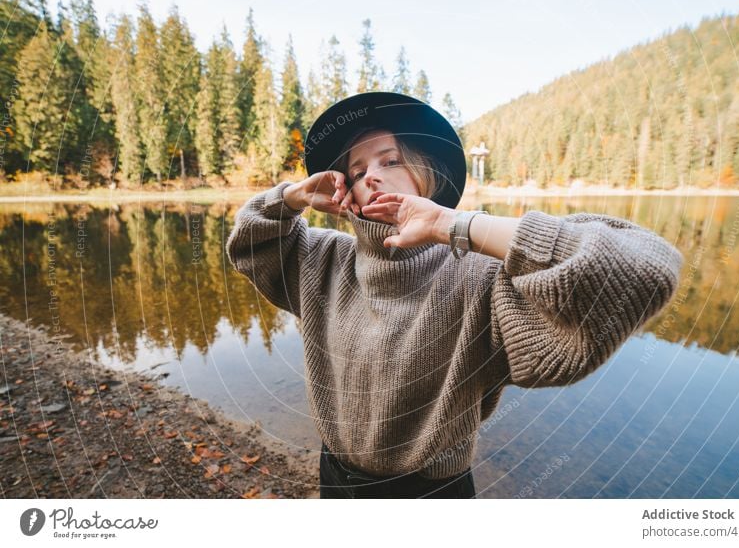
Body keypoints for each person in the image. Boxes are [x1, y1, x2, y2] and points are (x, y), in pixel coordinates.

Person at [225, 91, 684, 499]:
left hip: (433, 494)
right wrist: (292, 198)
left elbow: (642, 270)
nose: (373, 178)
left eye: (390, 161)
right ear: (347, 192)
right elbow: (250, 246)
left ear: (426, 175)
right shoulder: (324, 260)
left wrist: (454, 225)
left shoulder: (483, 279)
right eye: (357, 170)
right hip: (338, 478)